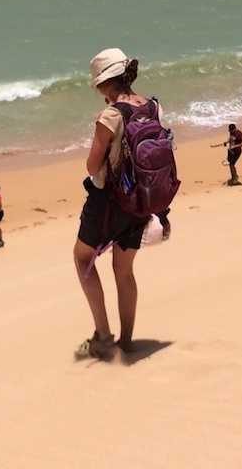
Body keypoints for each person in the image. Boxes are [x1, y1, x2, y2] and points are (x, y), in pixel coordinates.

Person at [74, 48, 153, 359]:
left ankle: (103, 335)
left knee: (83, 260)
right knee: (124, 270)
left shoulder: (110, 115)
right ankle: (128, 340)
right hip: (142, 200)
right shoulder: (150, 105)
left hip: (110, 202)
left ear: (104, 83)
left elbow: (92, 168)